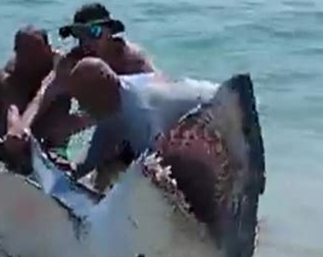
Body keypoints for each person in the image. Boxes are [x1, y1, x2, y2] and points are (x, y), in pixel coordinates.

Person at [19, 3, 158, 150]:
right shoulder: (73, 60)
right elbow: (43, 96)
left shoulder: (132, 60)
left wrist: (81, 122)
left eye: (94, 32)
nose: (87, 42)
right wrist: (22, 127)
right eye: (80, 35)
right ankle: (56, 152)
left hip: (137, 123)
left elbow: (157, 98)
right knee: (59, 100)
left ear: (109, 32)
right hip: (101, 122)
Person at [66, 58, 218, 189]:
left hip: (214, 107)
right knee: (108, 166)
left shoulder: (138, 114)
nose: (82, 107)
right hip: (186, 107)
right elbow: (98, 151)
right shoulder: (111, 101)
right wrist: (73, 173)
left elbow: (159, 169)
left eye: (84, 100)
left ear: (103, 91)